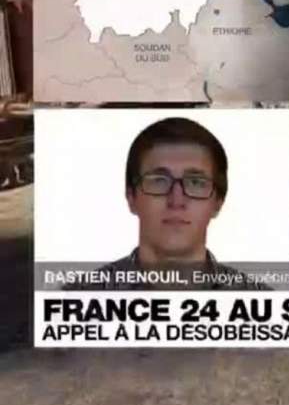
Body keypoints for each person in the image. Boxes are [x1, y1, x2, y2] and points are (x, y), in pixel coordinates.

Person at [66, 117, 268, 290]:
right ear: (131, 197)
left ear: (218, 202)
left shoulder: (266, 306)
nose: (176, 200)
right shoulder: (72, 302)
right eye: (159, 181)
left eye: (196, 182)